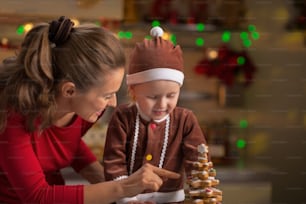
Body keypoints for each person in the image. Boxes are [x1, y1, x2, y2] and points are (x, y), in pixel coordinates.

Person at [0, 16, 180, 204]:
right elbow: (37, 196)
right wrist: (121, 188)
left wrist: (127, 198)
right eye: (106, 94)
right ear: (69, 90)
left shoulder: (82, 110)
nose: (112, 103)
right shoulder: (11, 120)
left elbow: (69, 145)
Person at [103, 26, 207, 204]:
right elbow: (114, 160)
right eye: (152, 97)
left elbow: (196, 160)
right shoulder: (123, 117)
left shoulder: (185, 120)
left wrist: (202, 189)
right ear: (133, 90)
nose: (162, 104)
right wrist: (129, 199)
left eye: (171, 95)